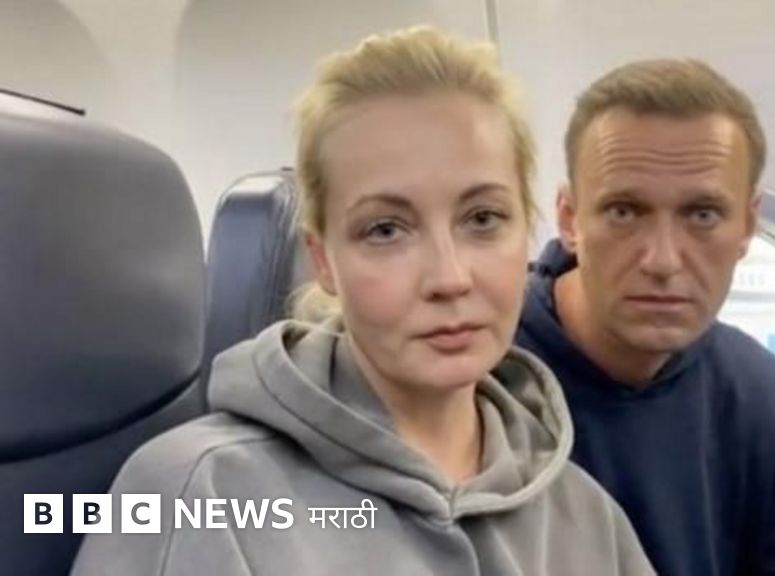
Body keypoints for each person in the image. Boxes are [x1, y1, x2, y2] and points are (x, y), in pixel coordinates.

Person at [72, 27, 653, 576]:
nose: (449, 278)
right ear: (323, 260)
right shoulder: (195, 494)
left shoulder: (586, 518)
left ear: (527, 229)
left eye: (482, 219)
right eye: (386, 230)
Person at [515, 58, 775, 575]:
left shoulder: (765, 404)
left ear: (747, 224)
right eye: (624, 212)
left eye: (702, 215)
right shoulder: (482, 375)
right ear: (571, 220)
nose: (662, 260)